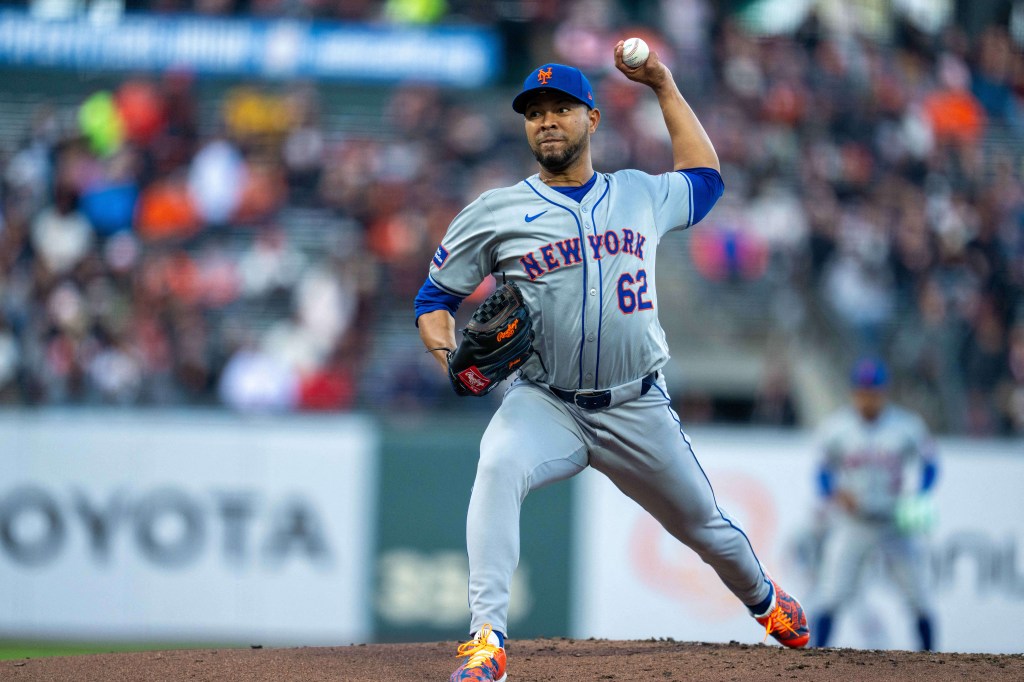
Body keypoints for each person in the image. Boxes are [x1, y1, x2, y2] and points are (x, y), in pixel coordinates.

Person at [414, 42, 809, 682]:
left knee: (706, 528)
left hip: (637, 404)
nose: (546, 120)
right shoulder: (495, 213)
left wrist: (662, 83)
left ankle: (765, 600)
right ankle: (487, 640)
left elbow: (707, 179)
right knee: (495, 467)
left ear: (592, 120)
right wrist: (445, 357)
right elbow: (434, 299)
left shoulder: (637, 194)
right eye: (534, 111)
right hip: (546, 403)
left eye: (561, 108)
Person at [812, 357, 939, 650]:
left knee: (918, 597)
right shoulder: (837, 427)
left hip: (894, 521)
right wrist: (835, 493)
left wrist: (918, 493)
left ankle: (935, 666)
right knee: (831, 594)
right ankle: (812, 665)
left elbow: (931, 465)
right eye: (863, 391)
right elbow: (821, 471)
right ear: (854, 392)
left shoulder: (906, 426)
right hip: (853, 523)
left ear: (885, 392)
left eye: (874, 391)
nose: (868, 398)